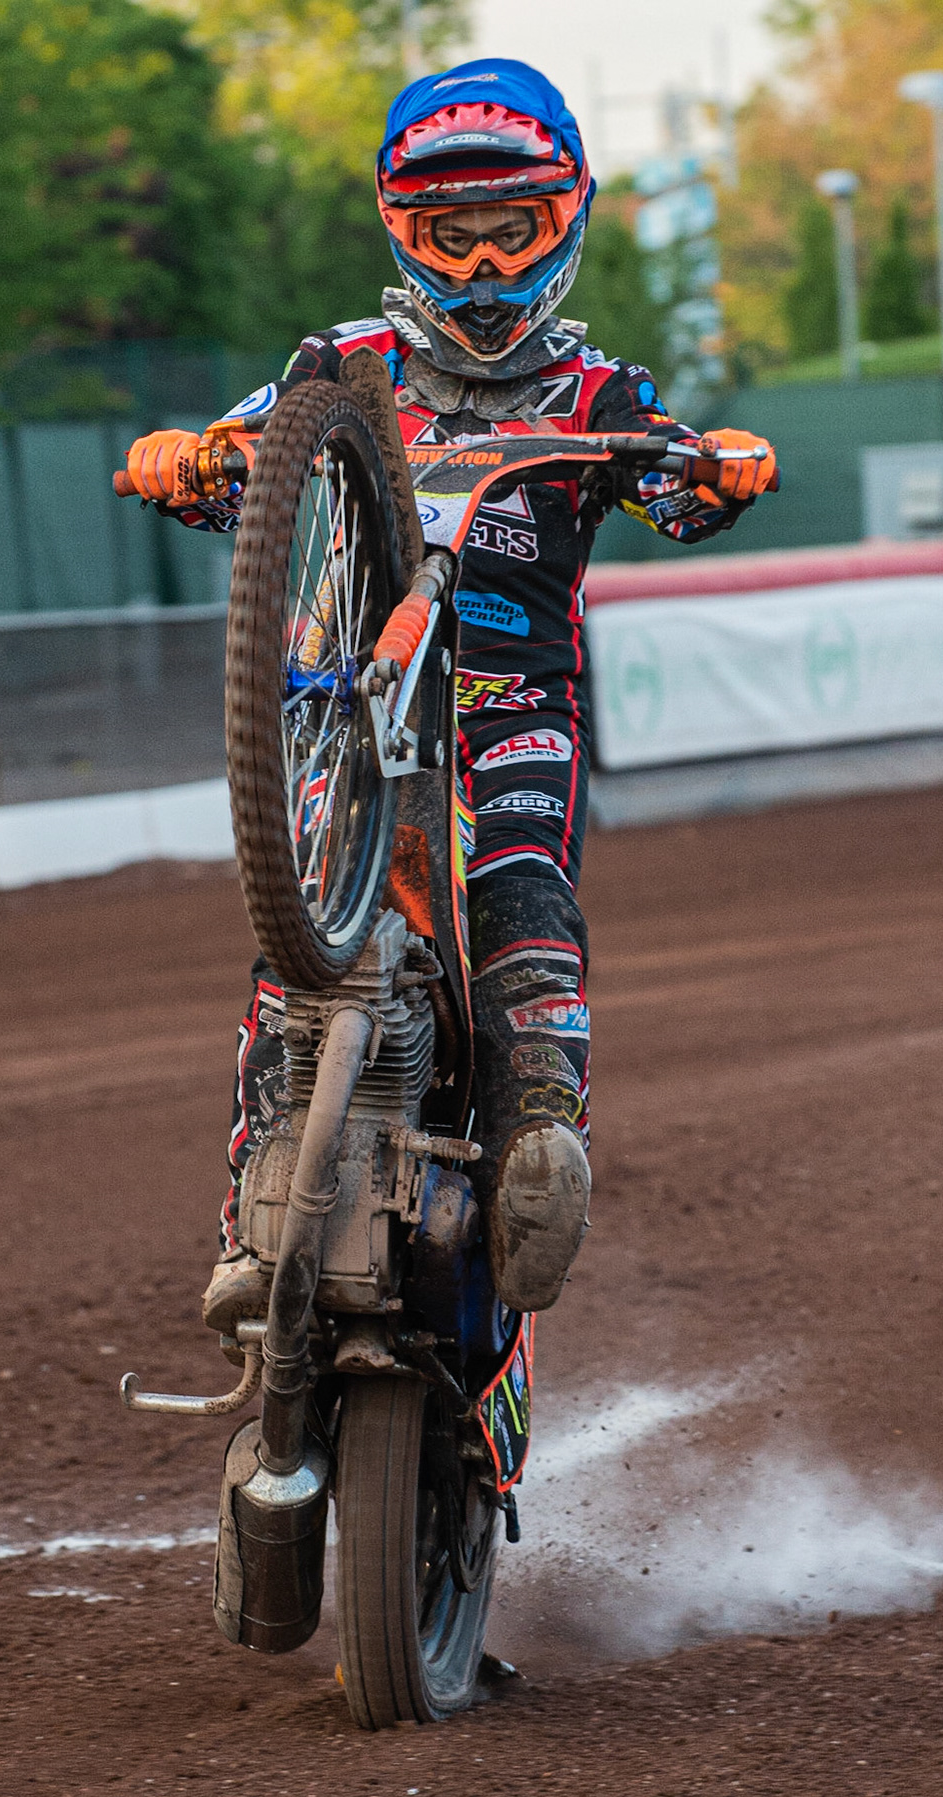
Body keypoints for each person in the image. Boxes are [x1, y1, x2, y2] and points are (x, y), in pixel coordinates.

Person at [123, 58, 777, 1324]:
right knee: (291, 949)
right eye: (451, 238)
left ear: (563, 222)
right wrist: (187, 458)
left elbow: (682, 489)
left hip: (511, 707)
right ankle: (258, 1216)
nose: (480, 269)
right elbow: (237, 459)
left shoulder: (601, 393)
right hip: (347, 713)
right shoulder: (342, 362)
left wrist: (719, 470)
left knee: (527, 893)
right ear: (402, 230)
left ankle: (542, 1137)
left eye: (507, 235)